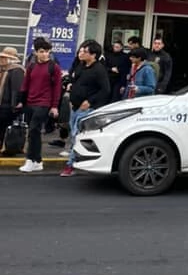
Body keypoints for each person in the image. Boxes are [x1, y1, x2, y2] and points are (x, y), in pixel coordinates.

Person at [60, 40, 110, 177]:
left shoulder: (99, 69)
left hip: (87, 108)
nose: (81, 54)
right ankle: (75, 160)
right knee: (73, 134)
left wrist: (90, 101)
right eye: (81, 51)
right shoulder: (80, 66)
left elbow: (105, 90)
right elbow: (75, 80)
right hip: (75, 106)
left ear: (93, 55)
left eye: (85, 52)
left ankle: (70, 164)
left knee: (77, 134)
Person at [16, 37, 62, 173]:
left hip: (44, 103)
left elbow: (57, 88)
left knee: (34, 130)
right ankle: (37, 161)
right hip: (30, 102)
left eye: (47, 51)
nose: (45, 54)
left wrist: (54, 106)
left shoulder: (54, 67)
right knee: (33, 133)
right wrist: (20, 100)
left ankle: (30, 160)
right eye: (42, 51)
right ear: (36, 52)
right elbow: (25, 84)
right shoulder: (31, 66)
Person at [0, 47, 25, 152]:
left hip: (8, 104)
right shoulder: (4, 70)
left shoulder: (16, 70)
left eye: (4, 58)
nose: (1, 60)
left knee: (4, 126)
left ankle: (5, 146)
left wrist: (16, 103)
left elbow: (17, 88)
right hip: (3, 103)